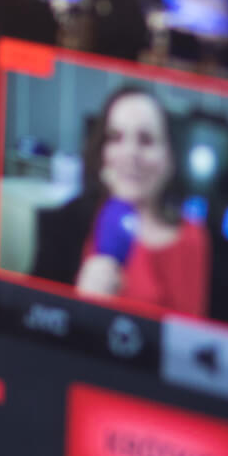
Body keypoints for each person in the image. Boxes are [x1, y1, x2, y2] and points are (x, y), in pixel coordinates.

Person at [71, 85, 209, 316]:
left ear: (169, 158)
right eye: (116, 137)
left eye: (146, 140)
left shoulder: (192, 237)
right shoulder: (81, 218)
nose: (130, 154)